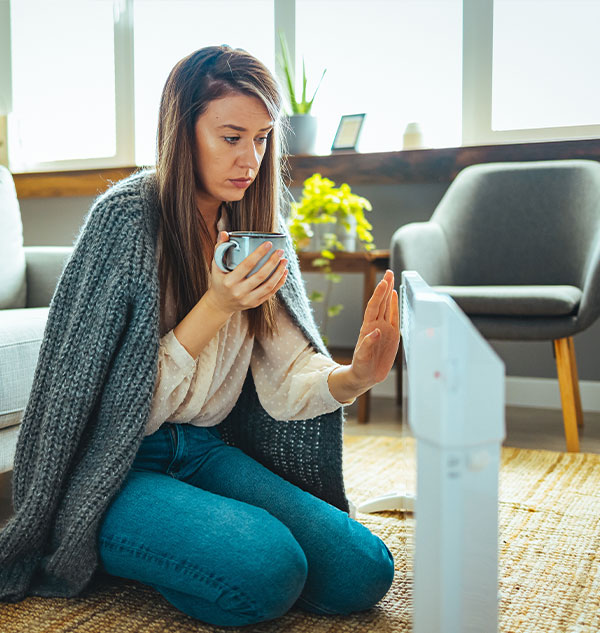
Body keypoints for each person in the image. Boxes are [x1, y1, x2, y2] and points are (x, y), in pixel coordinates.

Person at [0, 45, 399, 627]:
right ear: (181, 132)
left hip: (205, 449)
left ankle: (188, 539)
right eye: (231, 137)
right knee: (267, 570)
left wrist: (355, 375)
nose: (251, 159)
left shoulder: (251, 226)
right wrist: (215, 306)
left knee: (362, 570)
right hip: (115, 464)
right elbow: (109, 409)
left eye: (263, 138)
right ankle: (122, 547)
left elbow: (283, 378)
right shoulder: (127, 219)